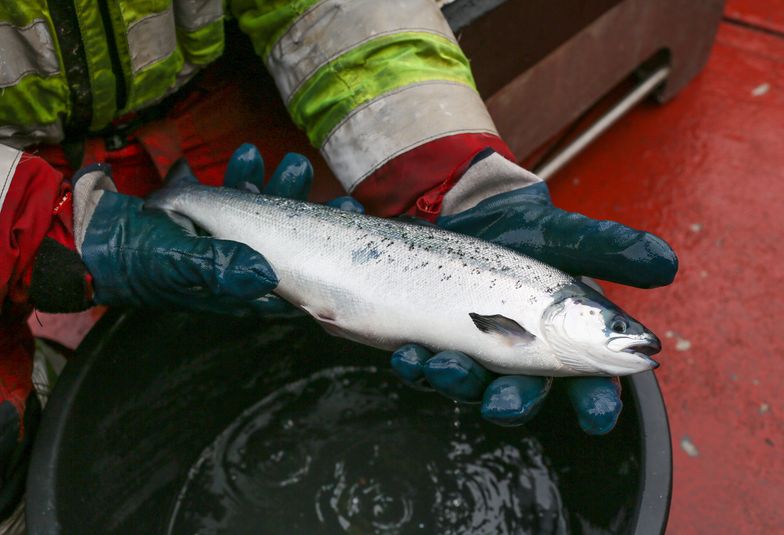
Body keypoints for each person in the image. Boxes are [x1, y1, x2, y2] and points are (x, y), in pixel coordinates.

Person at [0, 0, 677, 524]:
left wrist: (442, 163)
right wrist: (32, 223)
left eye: (616, 333)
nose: (631, 342)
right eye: (617, 330)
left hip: (202, 105)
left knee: (253, 262)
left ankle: (187, 205)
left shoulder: (544, 319)